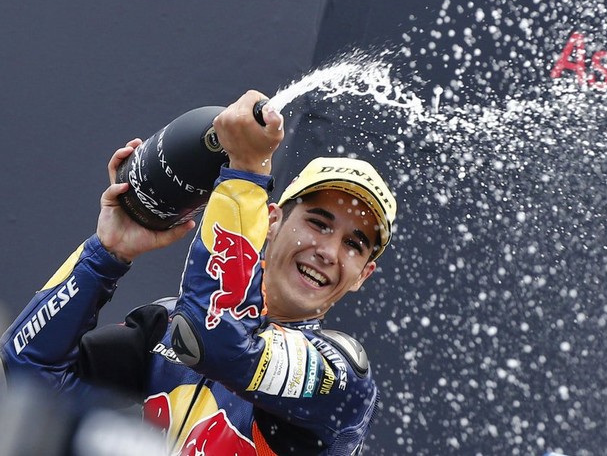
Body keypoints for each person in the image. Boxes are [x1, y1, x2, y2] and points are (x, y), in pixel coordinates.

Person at [0, 90, 397, 455]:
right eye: (318, 223)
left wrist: (246, 175)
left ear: (363, 275)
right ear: (272, 221)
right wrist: (107, 253)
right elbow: (27, 373)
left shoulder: (340, 377)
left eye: (354, 244)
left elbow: (216, 340)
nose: (328, 251)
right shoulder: (162, 326)